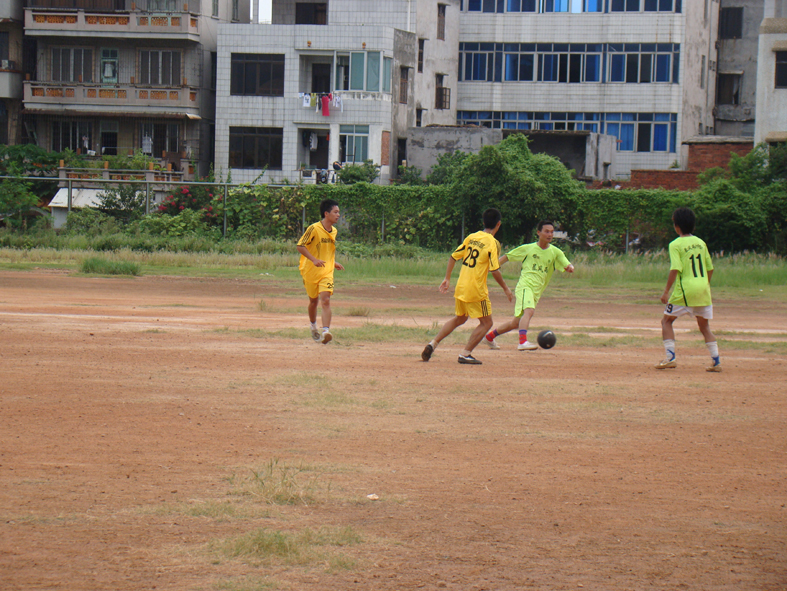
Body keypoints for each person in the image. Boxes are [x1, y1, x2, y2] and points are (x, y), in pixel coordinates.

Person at [421, 208, 513, 365]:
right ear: (498, 224)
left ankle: (433, 343)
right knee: (487, 323)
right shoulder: (493, 243)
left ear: (483, 222)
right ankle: (465, 353)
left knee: (460, 318)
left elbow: (453, 257)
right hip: (476, 289)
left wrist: (447, 278)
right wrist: (506, 288)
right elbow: (494, 270)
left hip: (461, 286)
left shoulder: (472, 237)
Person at [484, 220, 574, 351]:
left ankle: (489, 337)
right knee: (529, 311)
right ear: (538, 233)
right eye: (546, 231)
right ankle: (523, 342)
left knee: (516, 323)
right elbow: (507, 257)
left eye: (551, 232)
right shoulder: (528, 248)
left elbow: (566, 263)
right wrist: (489, 268)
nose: (550, 234)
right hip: (525, 286)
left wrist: (570, 267)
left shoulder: (556, 252)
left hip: (537, 291)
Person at [655, 207, 721, 372]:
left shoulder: (675, 244)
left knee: (666, 321)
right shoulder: (701, 243)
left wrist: (666, 291)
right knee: (704, 326)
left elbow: (675, 268)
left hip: (685, 291)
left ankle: (670, 358)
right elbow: (710, 268)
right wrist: (704, 284)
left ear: (677, 226)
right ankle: (716, 362)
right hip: (703, 290)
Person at [296, 199, 345, 344]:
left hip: (326, 271)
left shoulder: (334, 231)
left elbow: (327, 251)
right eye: (335, 212)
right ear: (326, 213)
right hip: (310, 271)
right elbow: (300, 246)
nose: (338, 215)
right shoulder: (314, 228)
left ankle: (326, 332)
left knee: (326, 300)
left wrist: (332, 262)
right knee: (313, 301)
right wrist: (313, 260)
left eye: (339, 212)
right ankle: (313, 327)